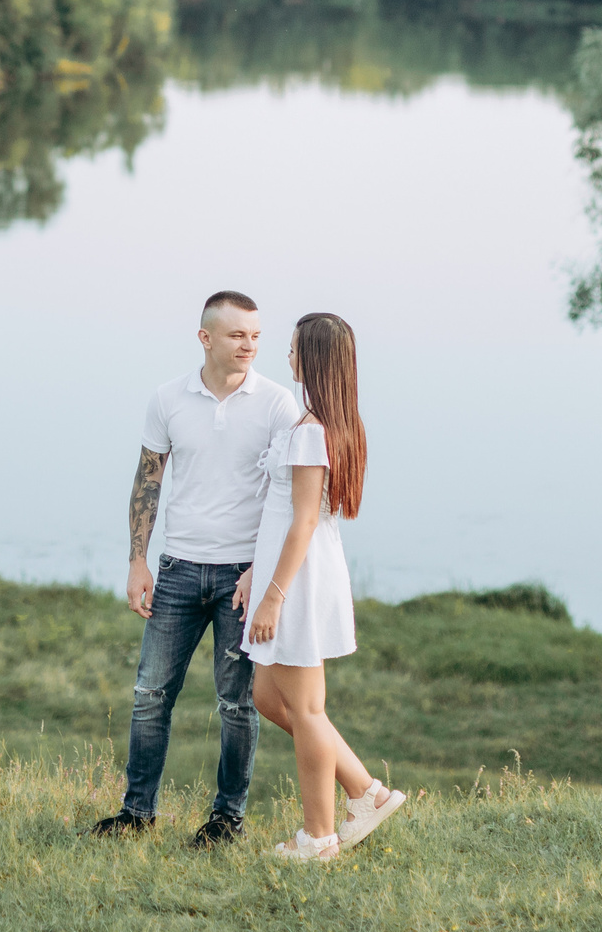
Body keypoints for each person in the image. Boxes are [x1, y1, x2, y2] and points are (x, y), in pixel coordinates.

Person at [89, 291, 302, 848]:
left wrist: (261, 569)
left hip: (241, 579)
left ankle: (226, 821)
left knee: (237, 704)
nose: (249, 346)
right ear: (205, 338)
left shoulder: (279, 405)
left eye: (256, 336)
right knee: (150, 694)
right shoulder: (167, 399)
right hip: (179, 568)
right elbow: (147, 480)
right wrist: (138, 559)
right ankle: (136, 813)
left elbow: (288, 496)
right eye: (237, 336)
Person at [246, 312, 406, 862]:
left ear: (311, 357)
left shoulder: (313, 432)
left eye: (292, 348)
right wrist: (253, 572)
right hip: (286, 571)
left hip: (298, 582)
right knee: (269, 697)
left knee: (307, 710)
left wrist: (273, 594)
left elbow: (304, 521)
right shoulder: (320, 423)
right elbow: (281, 513)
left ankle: (318, 837)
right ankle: (368, 791)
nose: (286, 356)